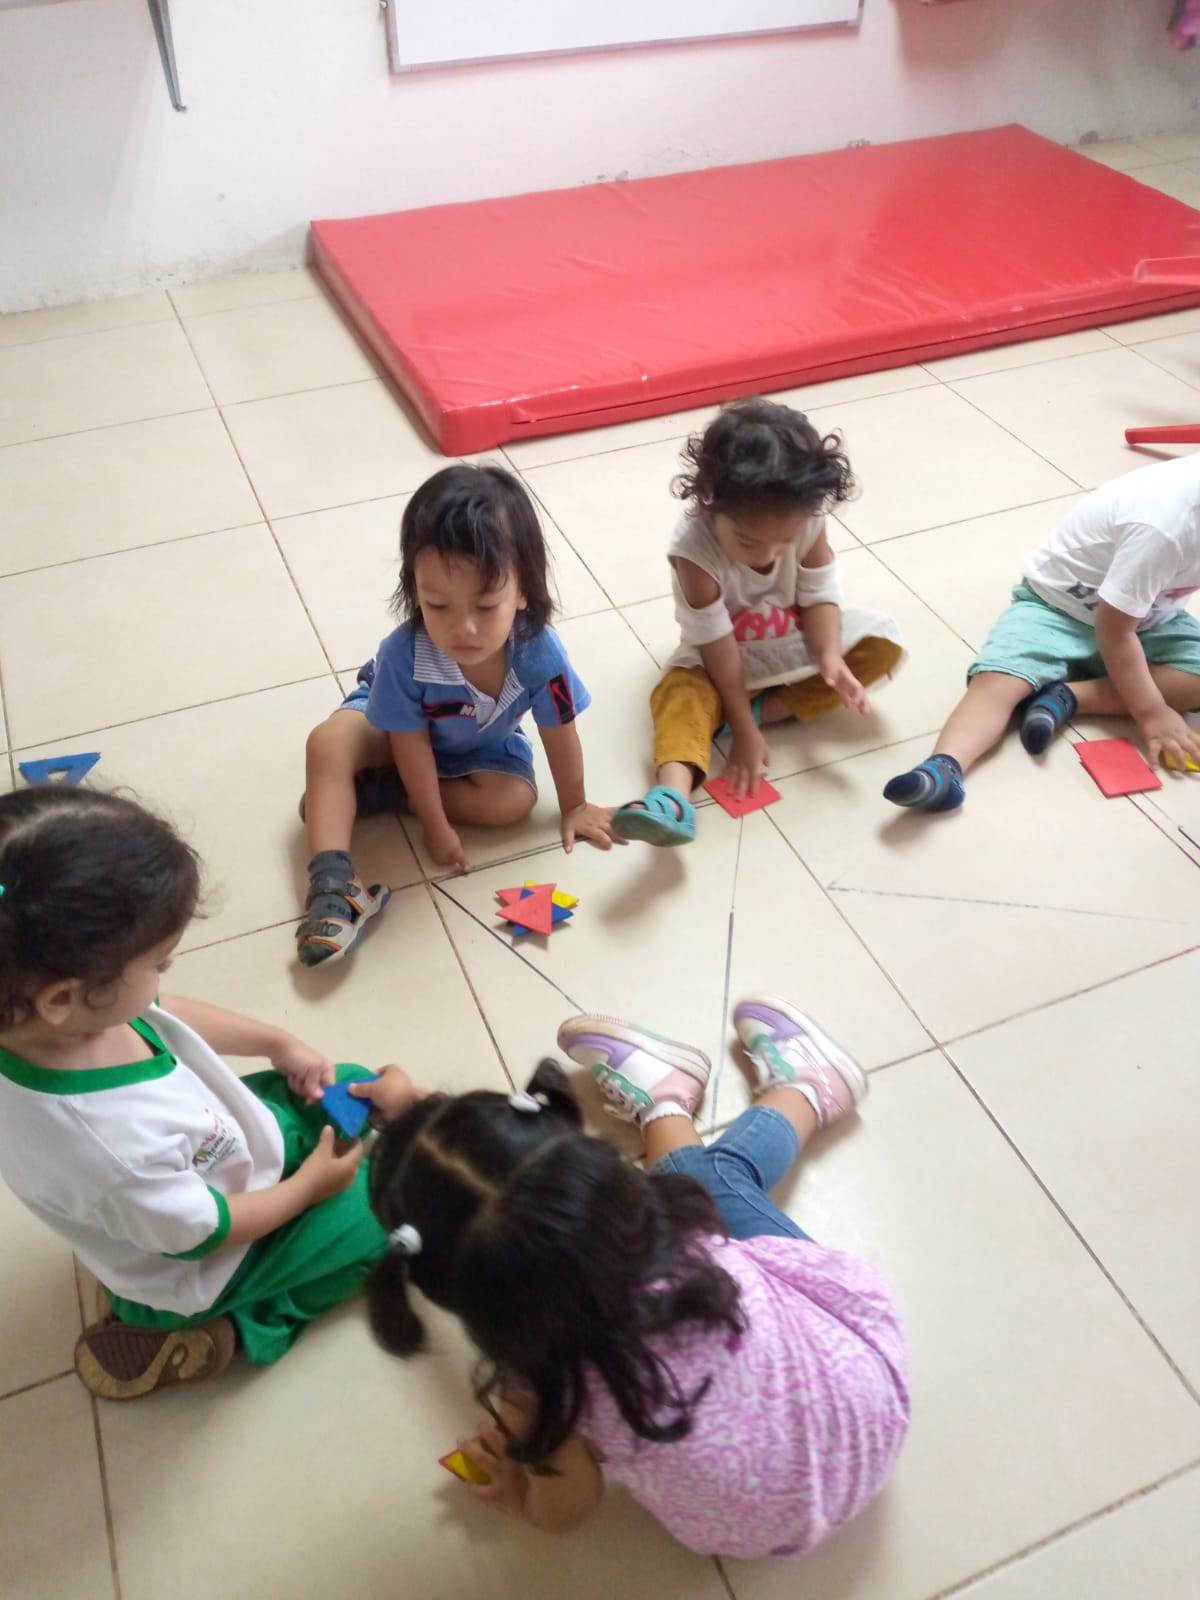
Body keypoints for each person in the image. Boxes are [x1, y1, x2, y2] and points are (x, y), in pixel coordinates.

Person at [355, 997, 909, 1560]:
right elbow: (511, 1185)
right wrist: (421, 1112)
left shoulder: (539, 1391)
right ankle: (776, 1089)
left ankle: (696, 1094)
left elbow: (566, 1508)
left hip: (767, 1530)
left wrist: (518, 1500)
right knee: (704, 1176)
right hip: (871, 1399)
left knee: (707, 1176)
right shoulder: (668, 1225)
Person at [0, 785, 389, 1401]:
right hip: (210, 1259)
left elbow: (165, 1011)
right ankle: (234, 1326)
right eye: (159, 961)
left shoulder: (46, 1017)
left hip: (212, 1151)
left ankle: (286, 1175)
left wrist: (275, 1042)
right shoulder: (108, 1149)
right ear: (62, 998)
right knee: (385, 1216)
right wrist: (308, 1189)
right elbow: (209, 1230)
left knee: (352, 1080)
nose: (168, 970)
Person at [298, 463, 619, 964]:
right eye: (437, 604)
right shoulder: (404, 654)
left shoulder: (540, 653)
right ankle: (333, 885)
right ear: (415, 591)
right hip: (394, 732)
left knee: (515, 801)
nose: (462, 628)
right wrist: (434, 822)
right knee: (328, 743)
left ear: (524, 592)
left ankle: (383, 792)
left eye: (485, 606)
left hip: (478, 744)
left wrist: (574, 804)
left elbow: (560, 731)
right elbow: (408, 739)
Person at [610, 398, 904, 845]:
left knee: (881, 641)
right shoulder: (694, 552)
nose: (768, 556)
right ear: (709, 502)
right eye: (748, 542)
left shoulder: (808, 517)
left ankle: (754, 712)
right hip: (719, 662)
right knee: (678, 696)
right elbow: (715, 643)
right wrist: (744, 732)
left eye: (784, 541)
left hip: (792, 647)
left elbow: (820, 592)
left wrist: (828, 656)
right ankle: (672, 796)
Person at [884, 454, 1200, 813]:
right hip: (1057, 606)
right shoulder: (1164, 525)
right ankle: (943, 768)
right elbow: (1115, 631)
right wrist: (1152, 711)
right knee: (998, 681)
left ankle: (1067, 696)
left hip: (1151, 617)